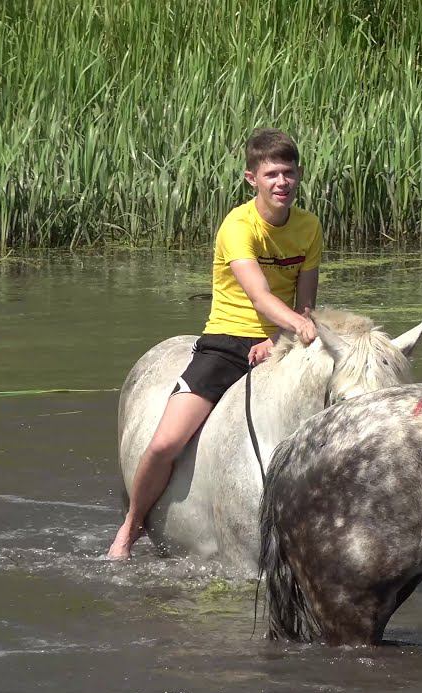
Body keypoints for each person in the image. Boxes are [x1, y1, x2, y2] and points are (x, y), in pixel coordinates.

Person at [107, 128, 323, 559]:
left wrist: (282, 340)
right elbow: (260, 296)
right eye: (272, 174)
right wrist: (296, 330)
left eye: (289, 173)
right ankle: (130, 528)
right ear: (252, 178)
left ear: (299, 175)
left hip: (280, 343)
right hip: (227, 342)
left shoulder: (309, 227)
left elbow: (307, 302)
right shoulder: (237, 226)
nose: (282, 182)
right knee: (166, 442)